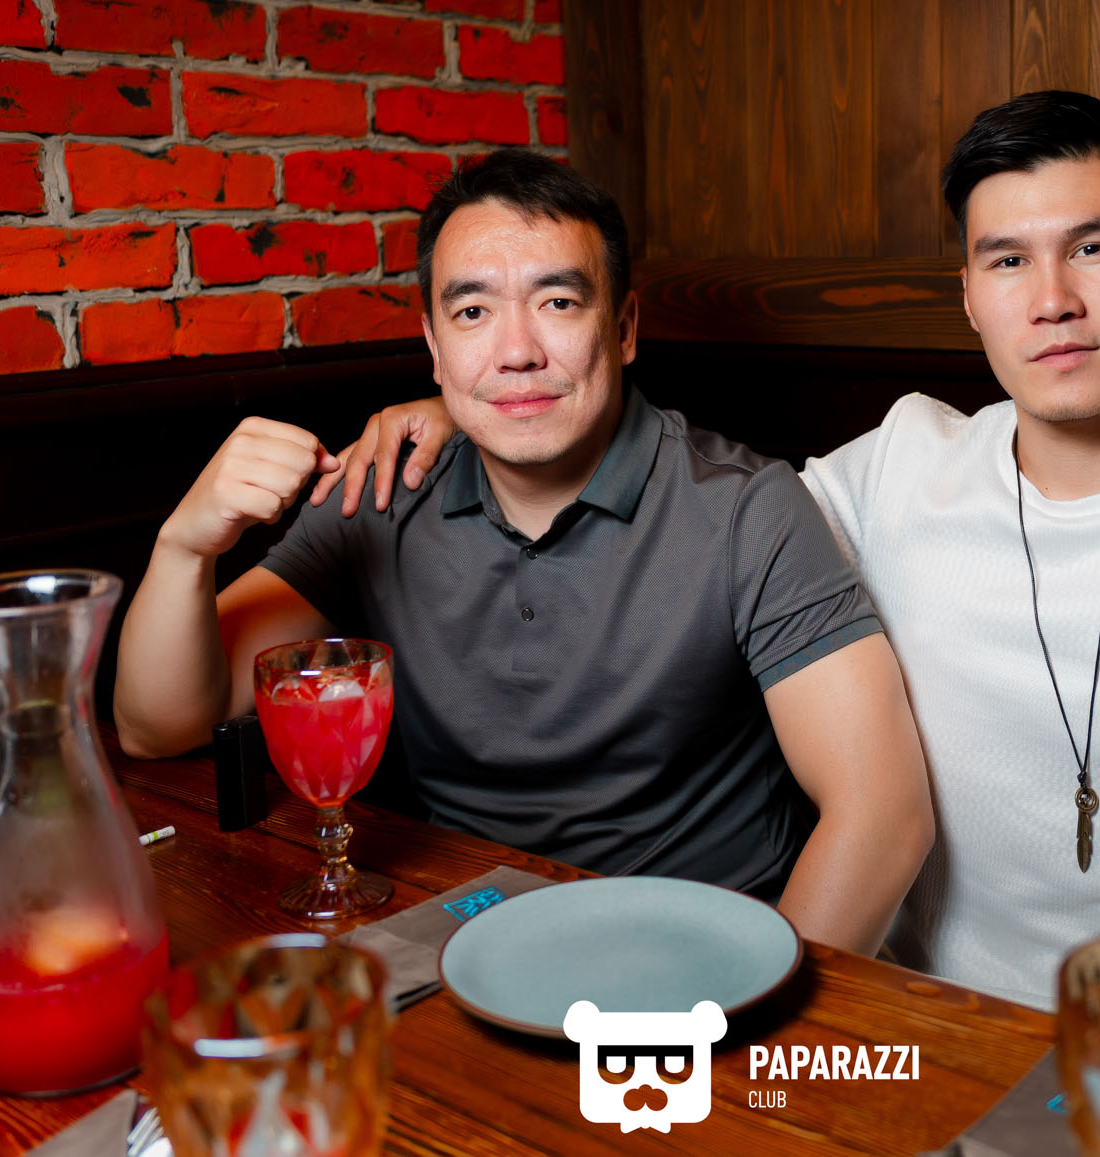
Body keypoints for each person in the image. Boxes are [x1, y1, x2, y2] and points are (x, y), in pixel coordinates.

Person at [324, 94, 1100, 1022]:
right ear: (967, 296)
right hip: (909, 1020)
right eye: (1006, 260)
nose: (1051, 298)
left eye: (1090, 248)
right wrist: (461, 419)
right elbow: (683, 502)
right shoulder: (896, 467)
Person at [114, 149, 934, 956]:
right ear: (434, 347)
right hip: (455, 940)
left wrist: (737, 1017)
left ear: (623, 328)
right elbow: (157, 725)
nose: (516, 351)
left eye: (558, 302)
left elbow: (884, 816)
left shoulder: (745, 509)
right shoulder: (385, 490)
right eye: (473, 312)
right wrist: (184, 544)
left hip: (692, 954)